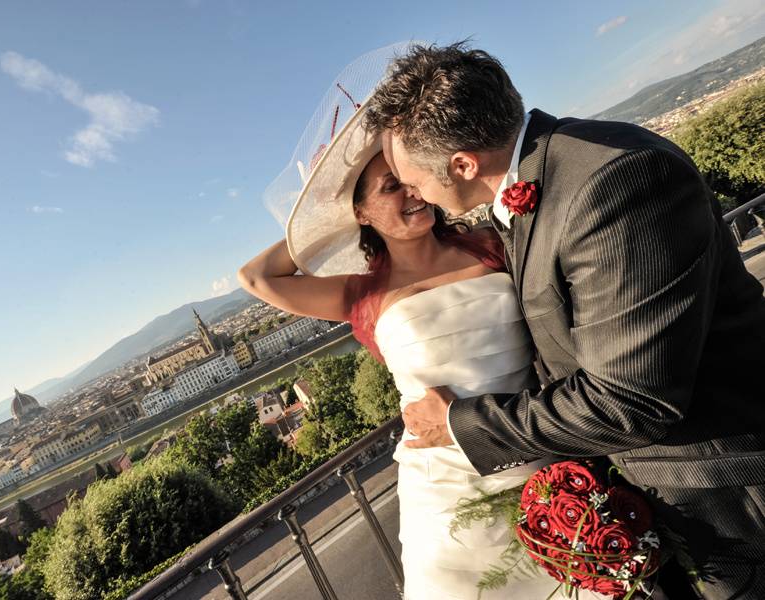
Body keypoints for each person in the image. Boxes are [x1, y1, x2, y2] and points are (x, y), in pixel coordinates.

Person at [365, 42, 765, 599]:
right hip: (649, 493)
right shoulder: (552, 174)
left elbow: (631, 401)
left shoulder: (616, 182)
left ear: (462, 164)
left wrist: (459, 422)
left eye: (412, 180)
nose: (414, 193)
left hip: (724, 498)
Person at [240, 72, 607, 596]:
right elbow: (256, 279)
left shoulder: (490, 244)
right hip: (444, 491)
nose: (413, 192)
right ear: (361, 213)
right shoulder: (359, 293)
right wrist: (325, 216)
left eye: (411, 179)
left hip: (539, 445)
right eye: (392, 188)